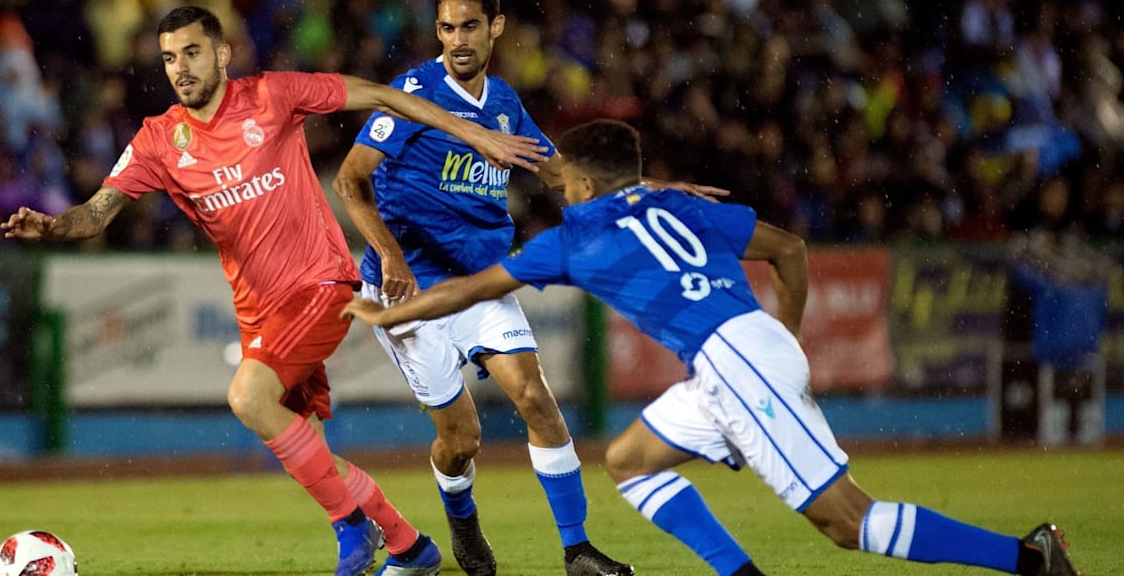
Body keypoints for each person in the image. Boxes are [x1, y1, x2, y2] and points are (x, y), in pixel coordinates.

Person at [342, 118, 1084, 576]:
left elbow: (469, 289)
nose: (559, 190)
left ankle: (1028, 558)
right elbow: (791, 251)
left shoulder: (575, 237)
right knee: (629, 461)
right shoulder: (680, 203)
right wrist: (783, 350)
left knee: (846, 523)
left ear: (583, 181)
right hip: (750, 349)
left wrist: (379, 317)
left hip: (735, 363)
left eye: (565, 180)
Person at [1, 5, 549, 576]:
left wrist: (469, 129)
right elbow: (96, 213)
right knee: (303, 447)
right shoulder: (160, 140)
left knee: (247, 397)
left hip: (324, 285)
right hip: (259, 311)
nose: (179, 68)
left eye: (191, 53)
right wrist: (54, 225)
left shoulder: (274, 95)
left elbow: (383, 97)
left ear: (221, 54)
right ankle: (410, 546)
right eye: (168, 58)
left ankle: (351, 529)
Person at [334, 0, 720, 576]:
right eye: (446, 27)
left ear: (496, 27)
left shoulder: (507, 105)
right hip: (412, 286)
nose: (457, 39)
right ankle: (461, 518)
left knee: (537, 398)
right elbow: (349, 180)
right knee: (461, 440)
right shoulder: (415, 92)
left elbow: (564, 176)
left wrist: (655, 192)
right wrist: (389, 254)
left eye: (468, 26)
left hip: (482, 281)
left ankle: (577, 550)